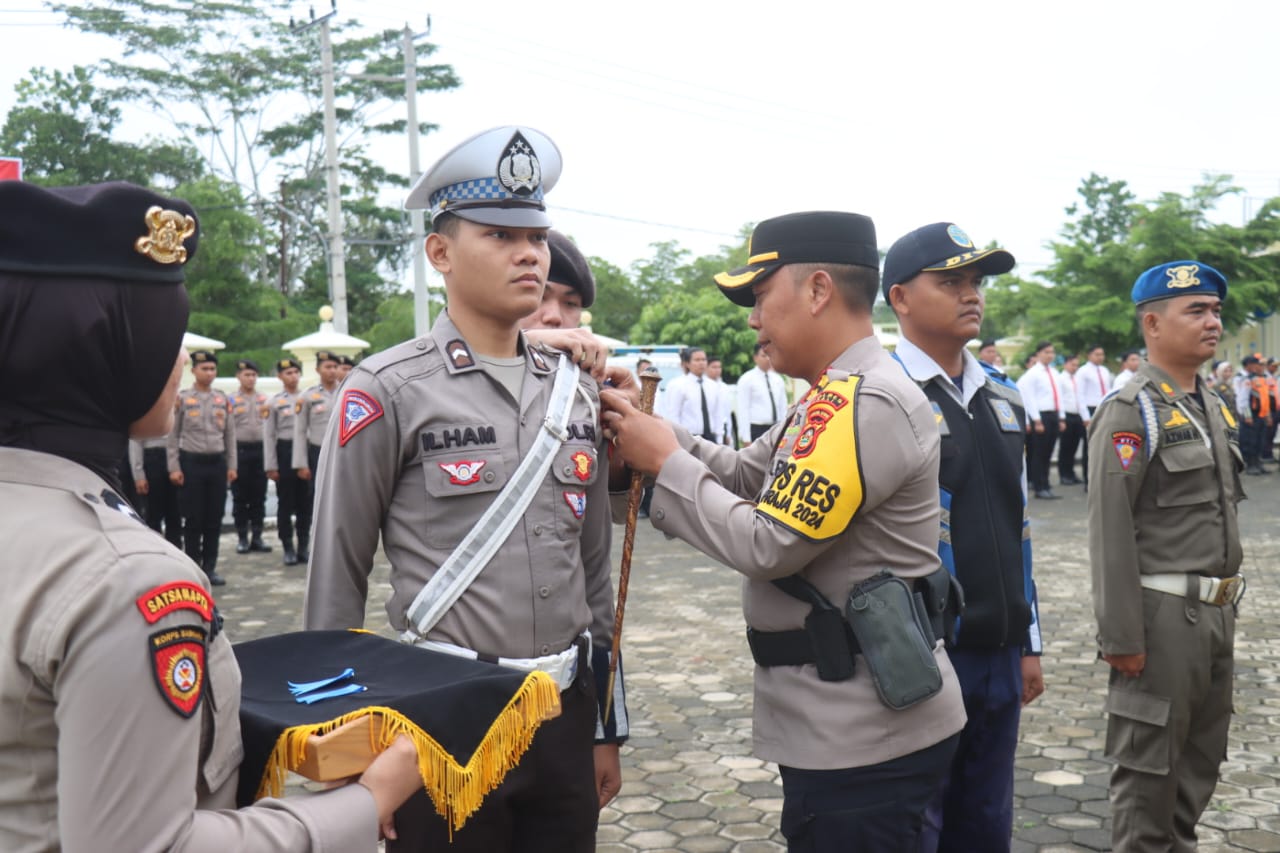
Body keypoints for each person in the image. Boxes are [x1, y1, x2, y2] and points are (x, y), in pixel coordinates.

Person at [0, 180, 423, 851]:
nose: (176, 362)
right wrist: (365, 803)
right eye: (160, 335)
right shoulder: (124, 579)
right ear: (107, 351)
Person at [303, 125, 626, 853]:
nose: (529, 254)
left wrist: (606, 725)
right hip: (438, 716)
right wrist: (341, 758)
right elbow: (335, 580)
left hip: (563, 711)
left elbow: (595, 574)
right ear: (440, 252)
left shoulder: (573, 394)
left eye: (537, 237)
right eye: (501, 234)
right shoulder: (387, 388)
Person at [602, 210, 965, 850]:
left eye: (760, 297)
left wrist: (663, 459)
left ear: (819, 290)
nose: (752, 319)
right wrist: (651, 428)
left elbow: (768, 544)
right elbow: (745, 473)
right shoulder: (835, 392)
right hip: (844, 723)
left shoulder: (866, 401)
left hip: (862, 736)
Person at [881, 221, 1044, 852]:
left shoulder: (1004, 398)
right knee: (923, 822)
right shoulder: (883, 395)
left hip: (999, 649)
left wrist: (1028, 642)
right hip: (928, 653)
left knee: (987, 820)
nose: (971, 293)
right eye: (950, 281)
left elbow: (1019, 524)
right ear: (899, 298)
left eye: (975, 281)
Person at [1088, 260, 1244, 850]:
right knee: (1148, 780)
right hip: (1161, 621)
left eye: (1215, 311)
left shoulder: (1211, 404)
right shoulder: (1132, 410)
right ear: (1152, 324)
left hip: (1215, 616)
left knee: (1196, 773)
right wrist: (1121, 636)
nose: (1212, 322)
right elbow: (1109, 528)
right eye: (1196, 311)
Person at [167, 349, 236, 586]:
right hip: (191, 463)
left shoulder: (221, 398)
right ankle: (193, 567)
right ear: (194, 370)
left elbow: (230, 436)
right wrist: (174, 466)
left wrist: (231, 465)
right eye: (204, 368)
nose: (209, 373)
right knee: (193, 519)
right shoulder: (183, 399)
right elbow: (172, 436)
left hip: (216, 463)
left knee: (214, 518)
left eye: (212, 369)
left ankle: (210, 567)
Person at [292, 349, 341, 563]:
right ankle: (304, 546)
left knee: (340, 502)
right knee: (310, 502)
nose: (332, 371)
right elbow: (300, 431)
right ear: (318, 369)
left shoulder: (346, 391)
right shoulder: (307, 396)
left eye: (335, 367)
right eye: (327, 367)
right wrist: (301, 463)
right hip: (315, 452)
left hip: (341, 453)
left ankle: (335, 549)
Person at [264, 357, 309, 564]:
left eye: (295, 372)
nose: (293, 376)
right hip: (284, 452)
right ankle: (288, 547)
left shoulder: (307, 398)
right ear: (280, 377)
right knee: (286, 503)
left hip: (304, 453)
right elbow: (269, 435)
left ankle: (304, 547)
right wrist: (271, 465)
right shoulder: (273, 403)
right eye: (288, 373)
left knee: (305, 504)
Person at [230, 358, 272, 554]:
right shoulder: (230, 400)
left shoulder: (265, 399)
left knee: (258, 496)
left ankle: (257, 536)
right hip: (239, 452)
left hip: (260, 451)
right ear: (238, 377)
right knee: (240, 497)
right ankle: (242, 538)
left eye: (253, 375)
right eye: (246, 375)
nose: (250, 378)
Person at [1019, 341, 1063, 499]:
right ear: (1038, 354)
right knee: (1039, 452)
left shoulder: (1054, 372)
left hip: (1053, 414)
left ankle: (1046, 483)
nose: (1050, 355)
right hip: (1040, 415)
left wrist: (1061, 417)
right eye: (1046, 352)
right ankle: (1039, 486)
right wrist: (1036, 420)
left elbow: (1059, 396)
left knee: (1049, 452)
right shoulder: (1032, 373)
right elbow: (1029, 398)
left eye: (1052, 352)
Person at [129, 434, 183, 547]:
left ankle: (176, 556)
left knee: (175, 514)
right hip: (152, 456)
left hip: (176, 456)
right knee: (153, 516)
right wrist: (138, 474)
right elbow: (135, 440)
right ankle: (156, 552)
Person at [663, 346, 721, 441]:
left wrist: (719, 437)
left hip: (710, 437)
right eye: (697, 360)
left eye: (703, 359)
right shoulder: (678, 385)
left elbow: (717, 414)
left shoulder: (713, 386)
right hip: (689, 437)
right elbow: (674, 415)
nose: (701, 363)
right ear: (687, 364)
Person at [737, 342, 788, 445]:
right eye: (764, 356)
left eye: (770, 355)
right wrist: (746, 437)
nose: (768, 359)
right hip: (756, 428)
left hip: (776, 427)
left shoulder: (777, 379)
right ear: (755, 358)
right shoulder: (747, 379)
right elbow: (743, 409)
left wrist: (784, 430)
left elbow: (783, 406)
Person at [1075, 345, 1112, 488]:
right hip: (1090, 410)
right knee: (1089, 446)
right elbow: (1080, 394)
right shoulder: (1083, 371)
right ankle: (1088, 480)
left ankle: (1101, 479)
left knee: (1104, 445)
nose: (1100, 357)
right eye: (1097, 354)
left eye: (1102, 354)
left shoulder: (1104, 371)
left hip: (1103, 407)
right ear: (1089, 355)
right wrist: (1085, 416)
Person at [1235, 353, 1274, 475]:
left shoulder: (1262, 379)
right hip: (1251, 416)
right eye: (1260, 364)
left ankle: (1258, 463)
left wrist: (1267, 415)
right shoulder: (1247, 380)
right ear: (1252, 366)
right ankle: (1251, 465)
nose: (1262, 367)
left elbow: (1265, 400)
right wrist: (1247, 416)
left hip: (1261, 415)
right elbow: (1242, 399)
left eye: (1263, 365)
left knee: (1260, 441)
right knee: (1250, 441)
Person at [1056, 353, 1086, 485]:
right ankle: (1064, 474)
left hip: (1077, 415)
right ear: (1066, 364)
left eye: (1077, 365)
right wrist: (1061, 417)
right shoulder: (1060, 379)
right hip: (1066, 415)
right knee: (1065, 446)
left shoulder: (1077, 379)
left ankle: (1071, 472)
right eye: (1073, 365)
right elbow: (1059, 399)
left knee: (1074, 446)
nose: (1075, 367)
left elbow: (1080, 398)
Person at [705, 355, 734, 445]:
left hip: (723, 426)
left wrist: (729, 433)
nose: (717, 370)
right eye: (714, 367)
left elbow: (727, 412)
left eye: (719, 367)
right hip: (709, 429)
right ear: (706, 368)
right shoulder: (703, 387)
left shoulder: (724, 387)